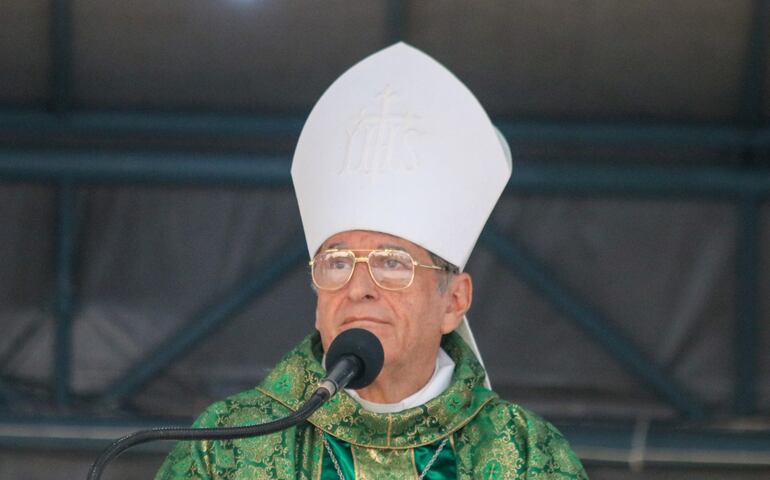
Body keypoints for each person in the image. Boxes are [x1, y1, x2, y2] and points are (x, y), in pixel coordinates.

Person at [156, 43, 587, 480]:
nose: (358, 287)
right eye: (338, 263)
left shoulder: (527, 455)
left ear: (453, 302)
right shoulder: (226, 445)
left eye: (392, 263)